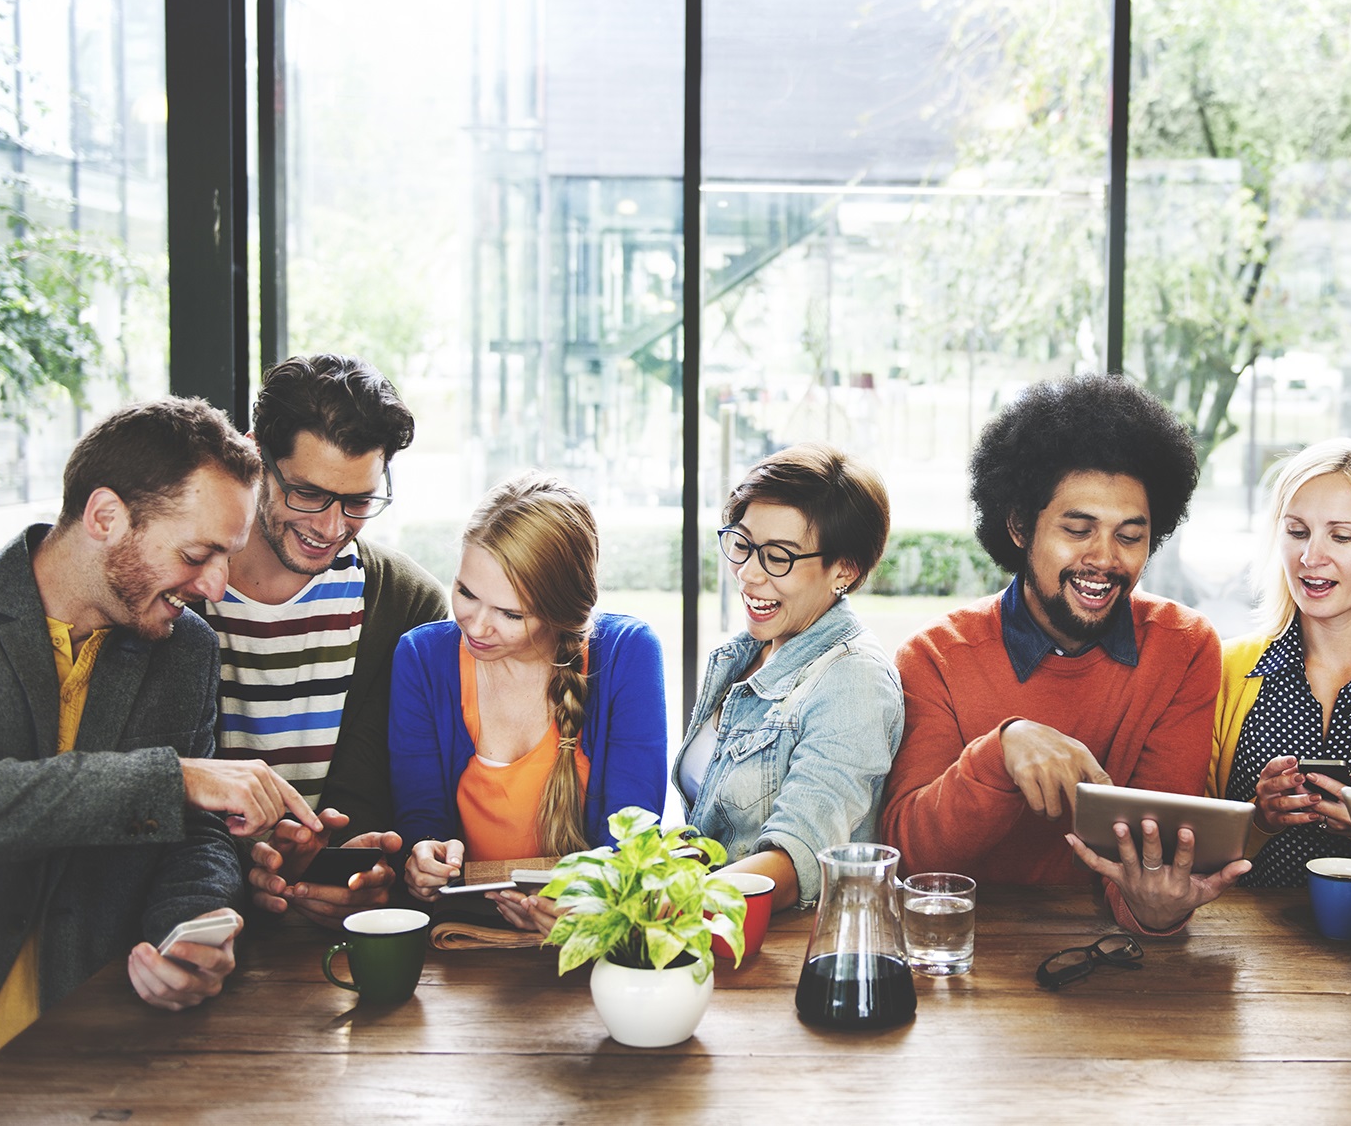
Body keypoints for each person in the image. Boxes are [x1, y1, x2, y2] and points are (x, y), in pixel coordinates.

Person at [0, 398, 319, 1121]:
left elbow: (198, 835)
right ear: (104, 517)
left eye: (227, 557)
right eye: (197, 555)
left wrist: (191, 929)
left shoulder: (186, 652)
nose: (217, 588)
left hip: (109, 1069)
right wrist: (172, 778)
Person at [881, 373, 1240, 936]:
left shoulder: (1184, 647)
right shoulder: (936, 658)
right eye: (1078, 529)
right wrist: (1001, 749)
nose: (1104, 558)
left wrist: (1155, 909)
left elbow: (1150, 865)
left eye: (1129, 536)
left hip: (1106, 961)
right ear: (1021, 526)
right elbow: (909, 861)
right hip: (960, 953)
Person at [212, 355, 448, 930]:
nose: (330, 525)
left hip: (348, 931)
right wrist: (248, 867)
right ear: (254, 456)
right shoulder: (180, 593)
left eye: (358, 501)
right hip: (200, 918)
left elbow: (398, 792)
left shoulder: (409, 605)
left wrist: (366, 868)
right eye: (307, 494)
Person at [390, 474, 667, 930]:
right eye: (465, 593)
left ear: (562, 613)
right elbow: (421, 818)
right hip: (464, 942)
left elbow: (630, 835)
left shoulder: (626, 654)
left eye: (511, 614)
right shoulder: (422, 659)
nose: (476, 627)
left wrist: (588, 900)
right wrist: (424, 857)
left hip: (587, 939)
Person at [671, 445, 903, 911]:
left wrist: (644, 903)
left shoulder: (853, 681)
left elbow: (795, 862)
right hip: (711, 932)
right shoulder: (743, 655)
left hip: (788, 953)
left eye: (779, 556)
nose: (749, 573)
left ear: (844, 569)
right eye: (742, 544)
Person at [1209, 438, 1351, 885]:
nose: (1310, 558)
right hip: (1246, 943)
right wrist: (1258, 819)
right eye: (1297, 531)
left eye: (1341, 536)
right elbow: (1188, 843)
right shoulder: (1229, 669)